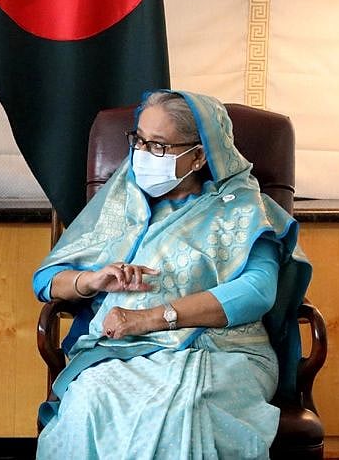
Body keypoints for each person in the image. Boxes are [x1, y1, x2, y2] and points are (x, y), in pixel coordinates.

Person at [33, 91, 312, 459]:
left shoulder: (243, 208)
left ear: (198, 155)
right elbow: (46, 281)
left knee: (184, 414)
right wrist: (93, 280)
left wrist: (150, 318)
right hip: (124, 352)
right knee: (90, 400)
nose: (143, 154)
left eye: (160, 146)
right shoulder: (122, 204)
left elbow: (256, 292)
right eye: (140, 140)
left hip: (222, 351)